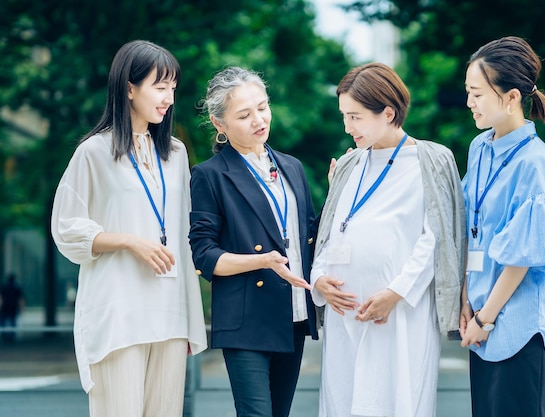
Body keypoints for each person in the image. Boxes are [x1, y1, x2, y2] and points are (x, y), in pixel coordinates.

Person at [51, 40, 207, 417]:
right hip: (118, 314)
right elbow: (66, 228)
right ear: (129, 88)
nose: (168, 96)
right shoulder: (94, 152)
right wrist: (127, 241)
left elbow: (186, 232)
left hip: (169, 315)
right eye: (159, 86)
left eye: (173, 87)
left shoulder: (176, 154)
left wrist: (191, 321)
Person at [311, 62, 466, 417]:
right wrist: (320, 279)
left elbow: (437, 237)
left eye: (356, 117)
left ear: (389, 112)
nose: (347, 127)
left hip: (400, 315)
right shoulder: (351, 165)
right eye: (344, 117)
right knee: (342, 402)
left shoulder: (431, 159)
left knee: (398, 401)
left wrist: (395, 293)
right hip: (344, 314)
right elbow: (329, 230)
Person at [189, 66, 319, 417]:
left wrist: (341, 196)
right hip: (246, 319)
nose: (259, 120)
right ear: (220, 124)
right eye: (244, 115)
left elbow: (307, 235)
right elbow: (204, 257)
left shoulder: (292, 167)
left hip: (292, 314)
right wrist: (261, 261)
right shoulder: (209, 176)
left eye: (262, 107)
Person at [459, 36, 545, 417]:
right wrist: (466, 302)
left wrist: (484, 317)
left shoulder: (536, 164)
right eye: (468, 92)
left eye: (477, 93)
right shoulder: (480, 148)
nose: (469, 103)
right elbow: (469, 226)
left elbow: (523, 257)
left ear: (510, 97)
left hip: (517, 321)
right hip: (481, 317)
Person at [0, 273, 25, 342]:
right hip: (13, 307)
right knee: (12, 321)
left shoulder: (4, 286)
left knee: (3, 321)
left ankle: (4, 334)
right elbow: (21, 299)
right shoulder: (17, 287)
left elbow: (1, 298)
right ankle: (11, 335)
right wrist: (22, 308)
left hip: (5, 307)